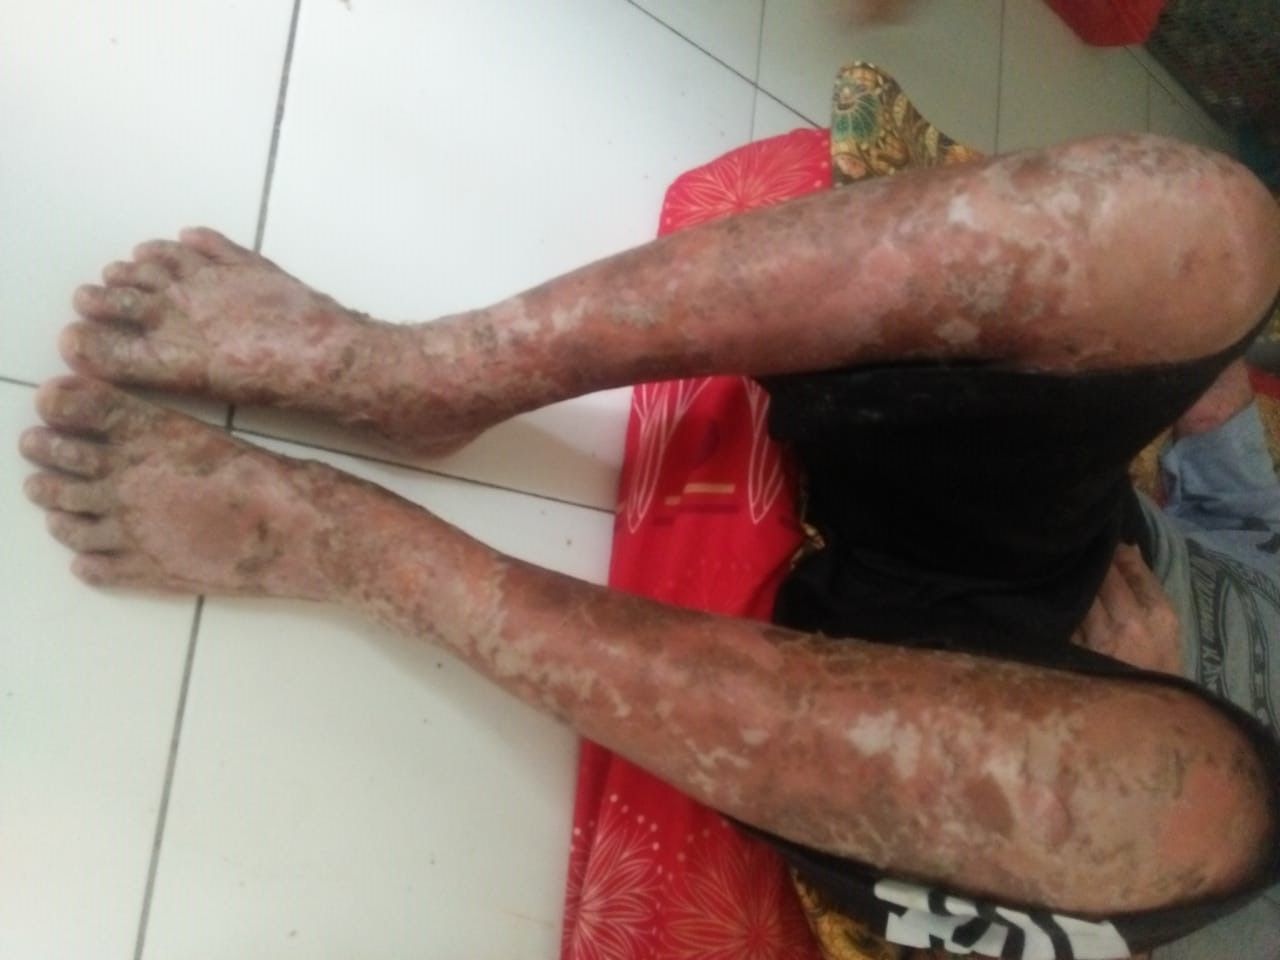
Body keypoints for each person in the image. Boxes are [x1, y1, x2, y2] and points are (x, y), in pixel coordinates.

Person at [18, 132, 1280, 956]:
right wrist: (1191, 376)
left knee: (1181, 804)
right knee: (1213, 231)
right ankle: (419, 373)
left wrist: (1162, 696)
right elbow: (1243, 513)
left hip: (1112, 827)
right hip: (1067, 543)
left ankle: (350, 545)